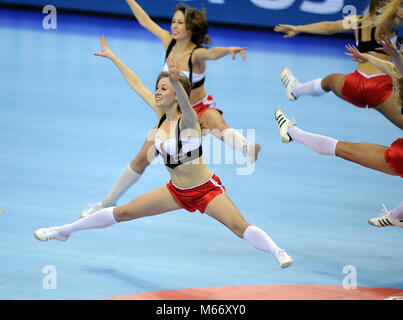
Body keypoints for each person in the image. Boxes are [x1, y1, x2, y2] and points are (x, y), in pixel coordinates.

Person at [34, 36, 293, 269]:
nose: (157, 92)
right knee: (122, 212)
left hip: (206, 191)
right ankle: (64, 230)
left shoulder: (189, 121)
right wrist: (114, 58)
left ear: (176, 94)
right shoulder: (160, 115)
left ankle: (277, 251)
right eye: (157, 88)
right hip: (175, 192)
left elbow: (186, 104)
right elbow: (135, 83)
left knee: (239, 226)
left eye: (163, 88)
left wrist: (175, 81)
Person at [80, 1, 261, 218]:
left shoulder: (197, 54)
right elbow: (145, 21)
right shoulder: (168, 42)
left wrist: (229, 50)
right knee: (141, 159)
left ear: (191, 27)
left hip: (198, 108)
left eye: (179, 22)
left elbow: (214, 54)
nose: (174, 26)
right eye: (173, 21)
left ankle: (247, 147)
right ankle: (106, 202)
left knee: (217, 125)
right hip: (173, 112)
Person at [274, 0, 403, 129]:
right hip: (379, 87)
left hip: (354, 84)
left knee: (330, 81)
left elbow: (327, 27)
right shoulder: (388, 24)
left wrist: (298, 28)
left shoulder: (356, 21)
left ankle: (295, 90)